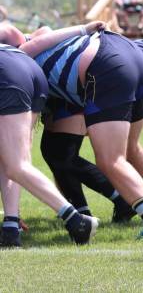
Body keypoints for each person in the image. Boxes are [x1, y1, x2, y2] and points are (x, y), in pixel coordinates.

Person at [16, 23, 143, 239]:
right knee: (130, 150)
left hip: (104, 65)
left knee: (111, 159)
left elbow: (23, 139)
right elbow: (41, 35)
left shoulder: (21, 61)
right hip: (131, 54)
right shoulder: (46, 44)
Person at [0, 28, 99, 247]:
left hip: (7, 72)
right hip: (29, 69)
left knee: (16, 165)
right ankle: (10, 227)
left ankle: (76, 220)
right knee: (13, 161)